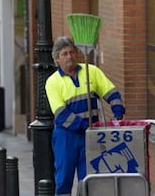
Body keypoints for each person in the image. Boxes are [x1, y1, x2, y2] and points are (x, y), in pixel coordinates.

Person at [45, 36, 125, 196]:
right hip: (66, 137)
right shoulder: (52, 82)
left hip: (92, 137)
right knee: (63, 178)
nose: (69, 57)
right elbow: (61, 114)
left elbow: (111, 92)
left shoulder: (91, 72)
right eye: (64, 54)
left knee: (90, 179)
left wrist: (118, 113)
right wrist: (84, 126)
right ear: (56, 59)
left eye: (72, 52)